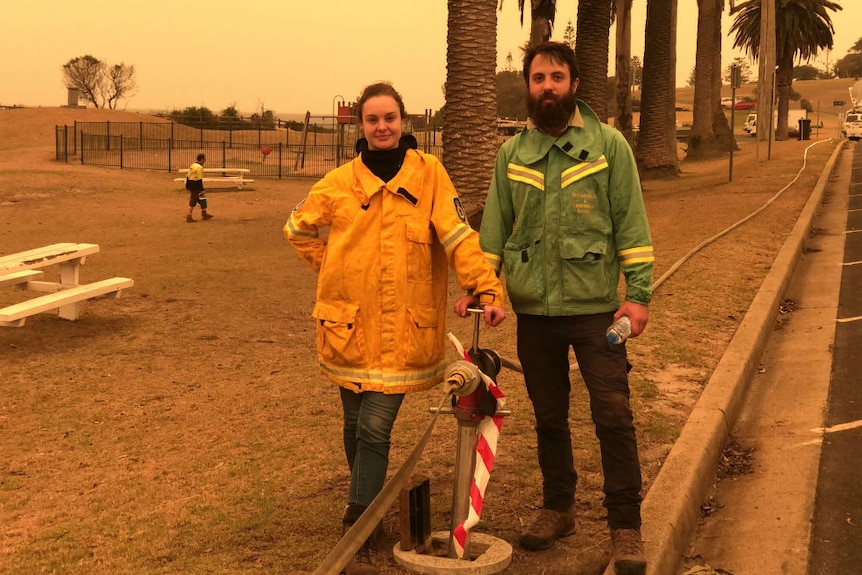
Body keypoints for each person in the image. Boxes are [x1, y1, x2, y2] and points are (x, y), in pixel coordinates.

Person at [284, 82, 505, 575]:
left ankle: (357, 521)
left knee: (374, 427)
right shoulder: (339, 182)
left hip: (404, 332)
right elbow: (297, 228)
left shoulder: (430, 175)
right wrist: (331, 268)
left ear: (404, 121)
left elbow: (458, 237)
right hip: (348, 327)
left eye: (390, 118)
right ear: (360, 126)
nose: (381, 127)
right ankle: (369, 503)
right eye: (372, 119)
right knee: (352, 426)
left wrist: (486, 288)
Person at [478, 42, 654, 575]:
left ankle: (626, 526)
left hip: (597, 309)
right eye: (538, 78)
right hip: (535, 313)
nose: (547, 86)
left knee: (614, 415)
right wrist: (487, 289)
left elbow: (631, 224)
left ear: (575, 84)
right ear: (528, 86)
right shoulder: (512, 155)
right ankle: (559, 508)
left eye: (556, 77)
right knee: (550, 417)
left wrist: (638, 295)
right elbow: (493, 233)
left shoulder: (608, 145)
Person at [185, 153, 213, 222]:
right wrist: (202, 189)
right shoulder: (200, 168)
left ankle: (204, 213)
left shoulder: (193, 165)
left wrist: (187, 186)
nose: (205, 160)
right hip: (196, 184)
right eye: (204, 159)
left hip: (191, 183)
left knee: (202, 198)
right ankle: (189, 216)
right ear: (202, 159)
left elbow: (188, 176)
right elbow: (199, 179)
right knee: (193, 200)